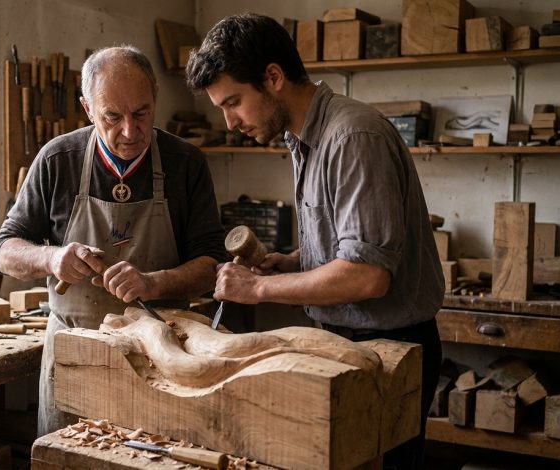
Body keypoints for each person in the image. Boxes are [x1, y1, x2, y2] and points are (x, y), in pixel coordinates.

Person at [186, 13, 443, 470]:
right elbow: (352, 243)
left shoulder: (351, 136)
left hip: (389, 349)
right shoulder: (305, 139)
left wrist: (259, 289)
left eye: (234, 102)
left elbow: (367, 276)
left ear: (273, 77)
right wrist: (296, 262)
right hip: (345, 342)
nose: (229, 122)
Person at [0, 45, 226, 436]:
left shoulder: (185, 163)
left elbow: (212, 267)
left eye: (141, 113)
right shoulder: (58, 159)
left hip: (161, 356)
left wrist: (154, 283)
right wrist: (52, 259)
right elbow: (4, 251)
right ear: (87, 108)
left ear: (156, 95)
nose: (130, 132)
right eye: (112, 117)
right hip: (75, 351)